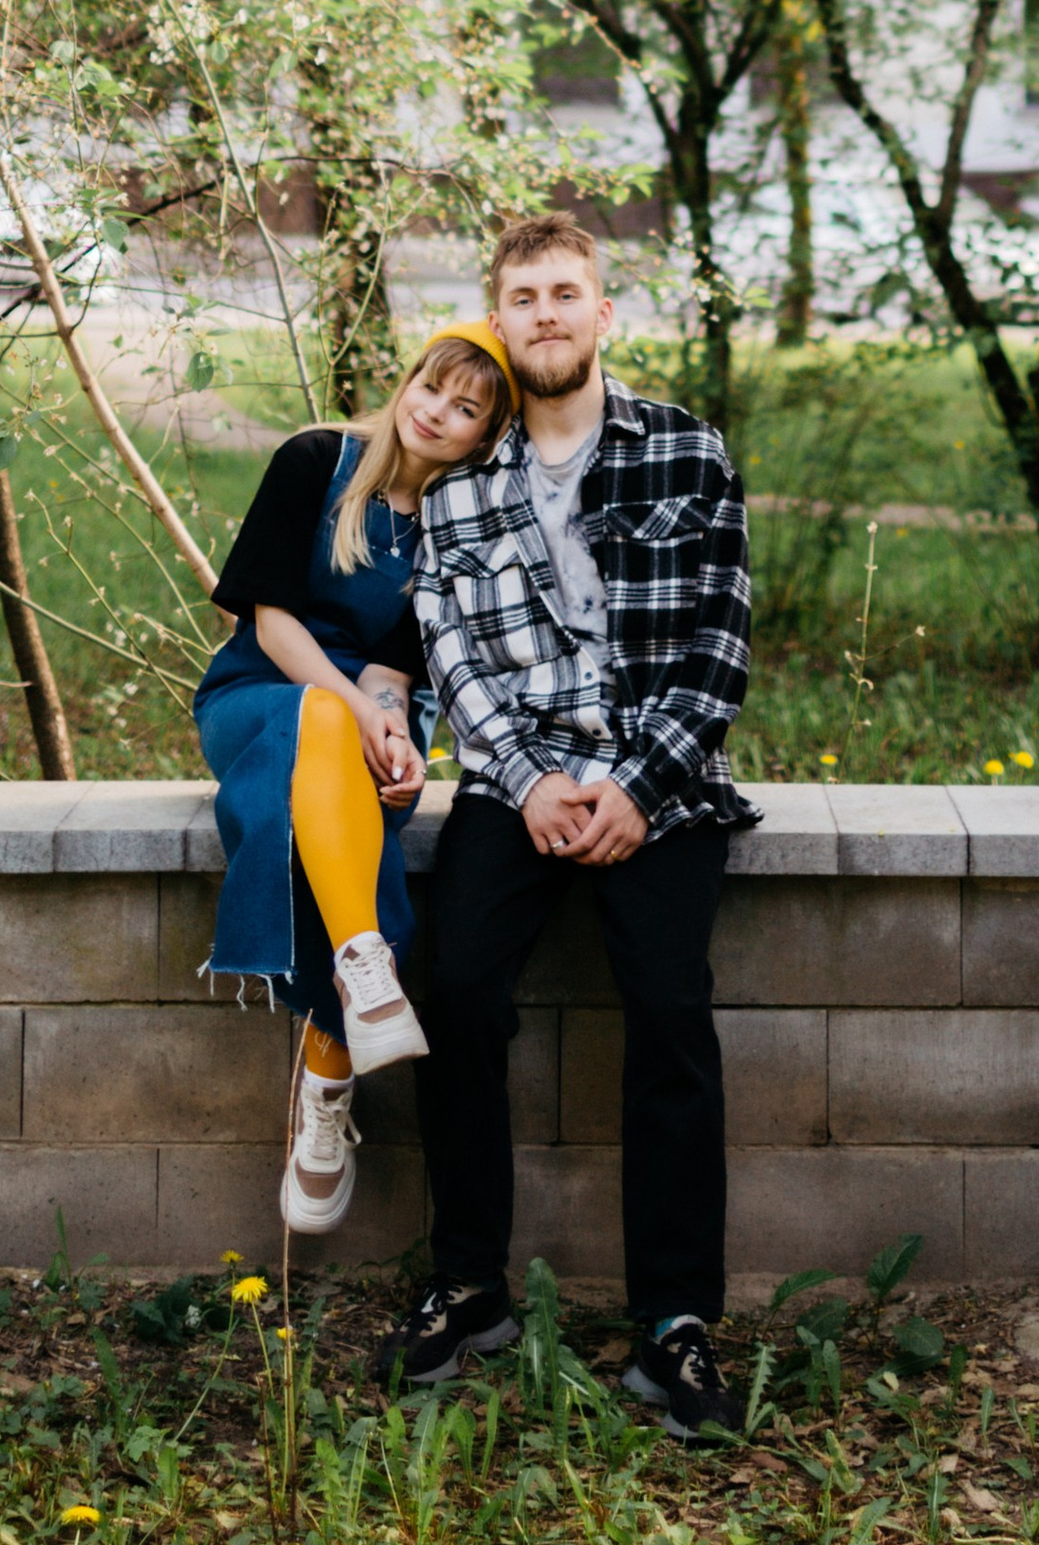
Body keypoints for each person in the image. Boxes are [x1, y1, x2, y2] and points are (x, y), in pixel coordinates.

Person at [379, 213, 755, 1442]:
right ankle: (468, 1284)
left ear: (602, 315)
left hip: (661, 783)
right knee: (460, 982)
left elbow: (718, 652)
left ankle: (675, 1325)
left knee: (668, 1009)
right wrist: (534, 784)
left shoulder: (687, 454)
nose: (545, 312)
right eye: (522, 296)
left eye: (565, 292)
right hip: (516, 784)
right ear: (503, 318)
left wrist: (636, 790)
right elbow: (454, 658)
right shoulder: (459, 488)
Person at [194, 327, 517, 1238]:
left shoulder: (454, 531)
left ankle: (339, 1053)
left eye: (466, 411)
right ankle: (351, 1022)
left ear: (484, 438)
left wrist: (397, 737)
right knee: (322, 734)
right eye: (431, 387)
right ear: (405, 378)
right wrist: (353, 710)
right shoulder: (316, 460)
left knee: (355, 801)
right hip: (261, 693)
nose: (436, 413)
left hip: (364, 712)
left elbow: (395, 677)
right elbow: (267, 620)